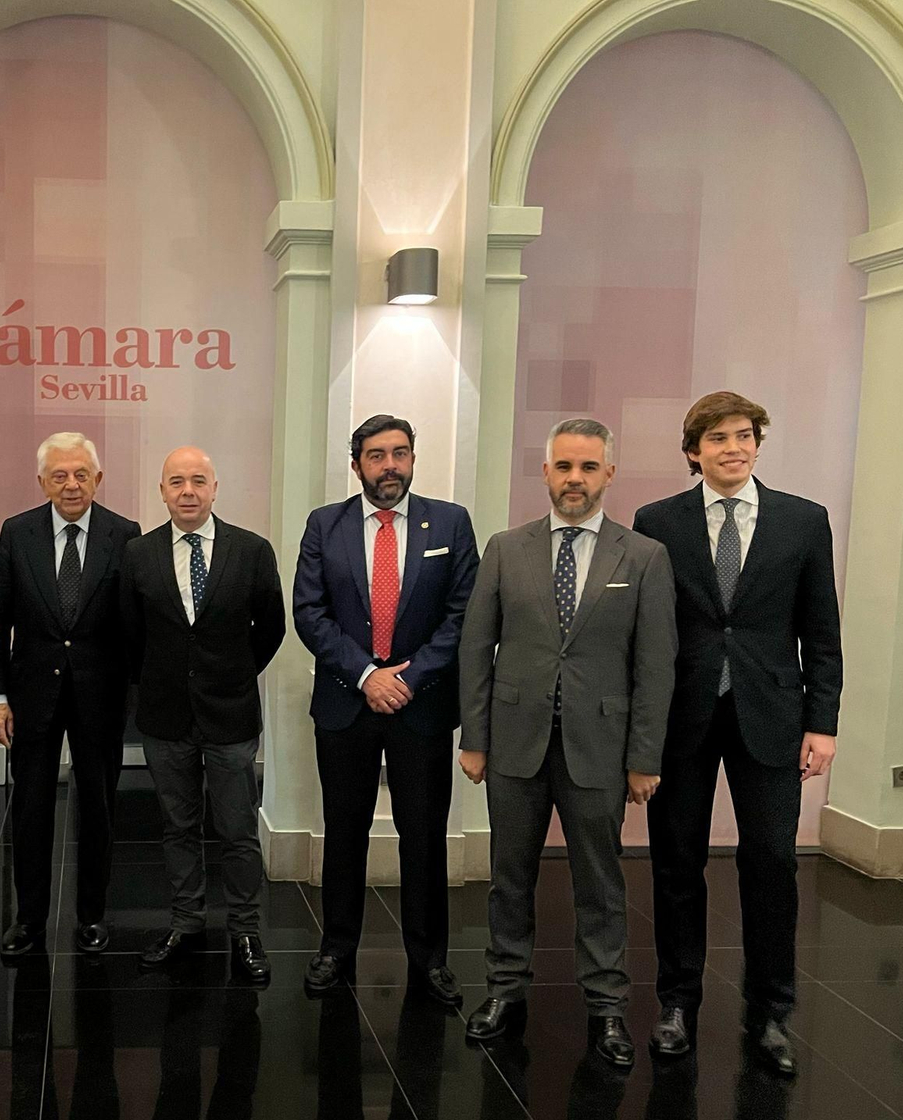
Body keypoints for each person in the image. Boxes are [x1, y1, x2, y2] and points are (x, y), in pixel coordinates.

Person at [634, 391, 842, 1075]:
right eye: (718, 437)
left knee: (772, 864)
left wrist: (823, 722)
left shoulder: (802, 521)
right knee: (676, 862)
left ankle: (772, 1012)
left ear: (758, 442)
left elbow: (822, 631)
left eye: (744, 435)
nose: (734, 447)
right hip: (681, 717)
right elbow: (647, 630)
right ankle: (677, 1004)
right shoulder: (656, 521)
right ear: (694, 451)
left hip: (774, 716)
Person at [459, 418, 677, 1067]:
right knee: (509, 878)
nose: (573, 479)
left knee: (601, 885)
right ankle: (504, 989)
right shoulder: (505, 548)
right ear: (545, 472)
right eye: (563, 467)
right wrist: (474, 738)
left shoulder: (642, 557)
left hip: (601, 750)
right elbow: (476, 650)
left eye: (587, 467)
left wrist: (644, 757)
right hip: (514, 745)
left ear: (609, 473)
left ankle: (607, 1007)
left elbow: (655, 666)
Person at [292, 414, 479, 1003]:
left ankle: (430, 959)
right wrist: (368, 675)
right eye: (377, 456)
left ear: (413, 459)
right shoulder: (326, 524)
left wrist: (409, 678)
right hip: (348, 704)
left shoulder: (449, 521)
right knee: (343, 833)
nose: (390, 465)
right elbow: (309, 612)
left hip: (420, 706)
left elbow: (463, 613)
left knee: (423, 835)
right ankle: (336, 949)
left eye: (400, 453)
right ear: (357, 466)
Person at [118, 446, 286, 983]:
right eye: (176, 482)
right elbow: (129, 634)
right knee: (178, 827)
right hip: (165, 716)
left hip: (231, 714)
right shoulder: (138, 554)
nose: (187, 491)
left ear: (215, 489)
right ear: (162, 492)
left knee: (237, 830)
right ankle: (186, 921)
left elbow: (272, 627)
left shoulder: (252, 550)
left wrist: (233, 674)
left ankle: (245, 929)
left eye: (197, 481)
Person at [0, 432, 141, 956]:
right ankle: (28, 919)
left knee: (98, 808)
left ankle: (92, 915)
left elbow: (133, 623)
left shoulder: (126, 534)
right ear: (42, 482)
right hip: (30, 697)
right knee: (29, 811)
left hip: (102, 697)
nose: (70, 485)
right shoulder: (17, 532)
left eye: (80, 475)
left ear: (98, 479)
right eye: (59, 475)